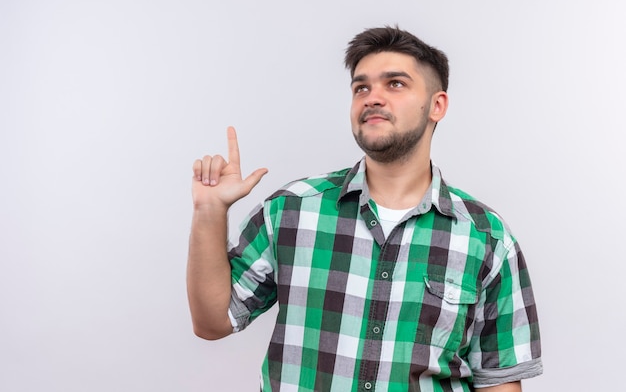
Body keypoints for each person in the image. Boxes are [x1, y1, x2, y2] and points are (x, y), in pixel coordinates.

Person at [187, 26, 542, 391]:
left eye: (395, 84)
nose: (373, 98)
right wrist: (208, 212)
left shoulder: (486, 237)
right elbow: (212, 322)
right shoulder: (290, 211)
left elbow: (498, 382)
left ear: (437, 105)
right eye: (361, 88)